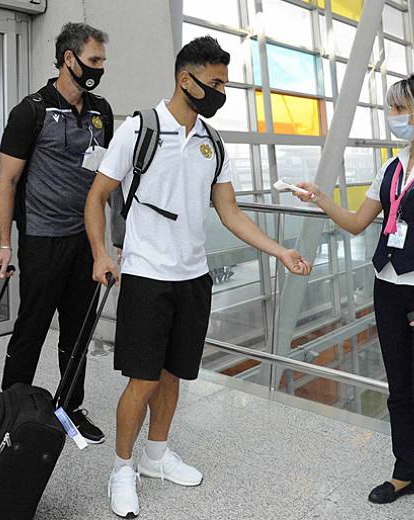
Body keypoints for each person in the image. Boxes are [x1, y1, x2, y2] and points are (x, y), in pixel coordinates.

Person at [85, 36, 313, 518]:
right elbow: (97, 194)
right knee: (142, 382)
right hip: (147, 276)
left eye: (223, 83)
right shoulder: (139, 128)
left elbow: (230, 213)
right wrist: (101, 253)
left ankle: (155, 456)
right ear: (185, 79)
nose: (220, 91)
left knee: (172, 377)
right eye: (214, 82)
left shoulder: (213, 141)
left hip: (194, 278)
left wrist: (280, 251)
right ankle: (122, 470)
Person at [294, 71, 414, 520]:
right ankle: (404, 474)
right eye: (391, 108)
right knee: (399, 389)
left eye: (399, 109)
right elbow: (359, 222)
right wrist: (321, 199)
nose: (391, 116)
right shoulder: (392, 166)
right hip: (389, 289)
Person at [0, 22, 112, 444]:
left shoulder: (101, 112)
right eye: (94, 60)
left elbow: (104, 180)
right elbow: (6, 182)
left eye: (102, 61)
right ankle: (10, 413)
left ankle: (69, 407)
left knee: (77, 331)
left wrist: (105, 245)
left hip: (85, 241)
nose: (99, 68)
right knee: (32, 330)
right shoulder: (31, 110)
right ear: (69, 59)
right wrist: (5, 244)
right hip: (41, 239)